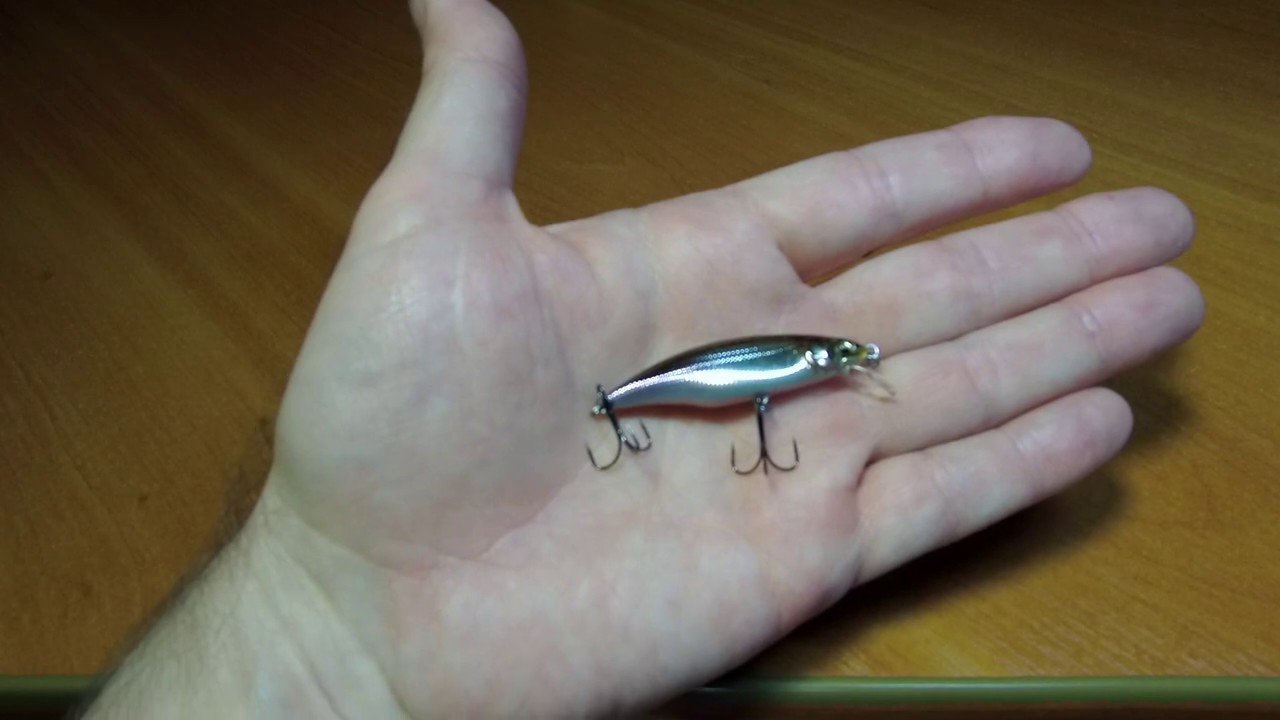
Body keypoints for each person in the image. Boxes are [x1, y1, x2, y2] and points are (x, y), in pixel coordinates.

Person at [80, 0, 1204, 717]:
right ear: (822, 355)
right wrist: (311, 615)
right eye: (836, 356)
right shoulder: (774, 365)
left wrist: (314, 640)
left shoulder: (805, 363)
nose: (838, 364)